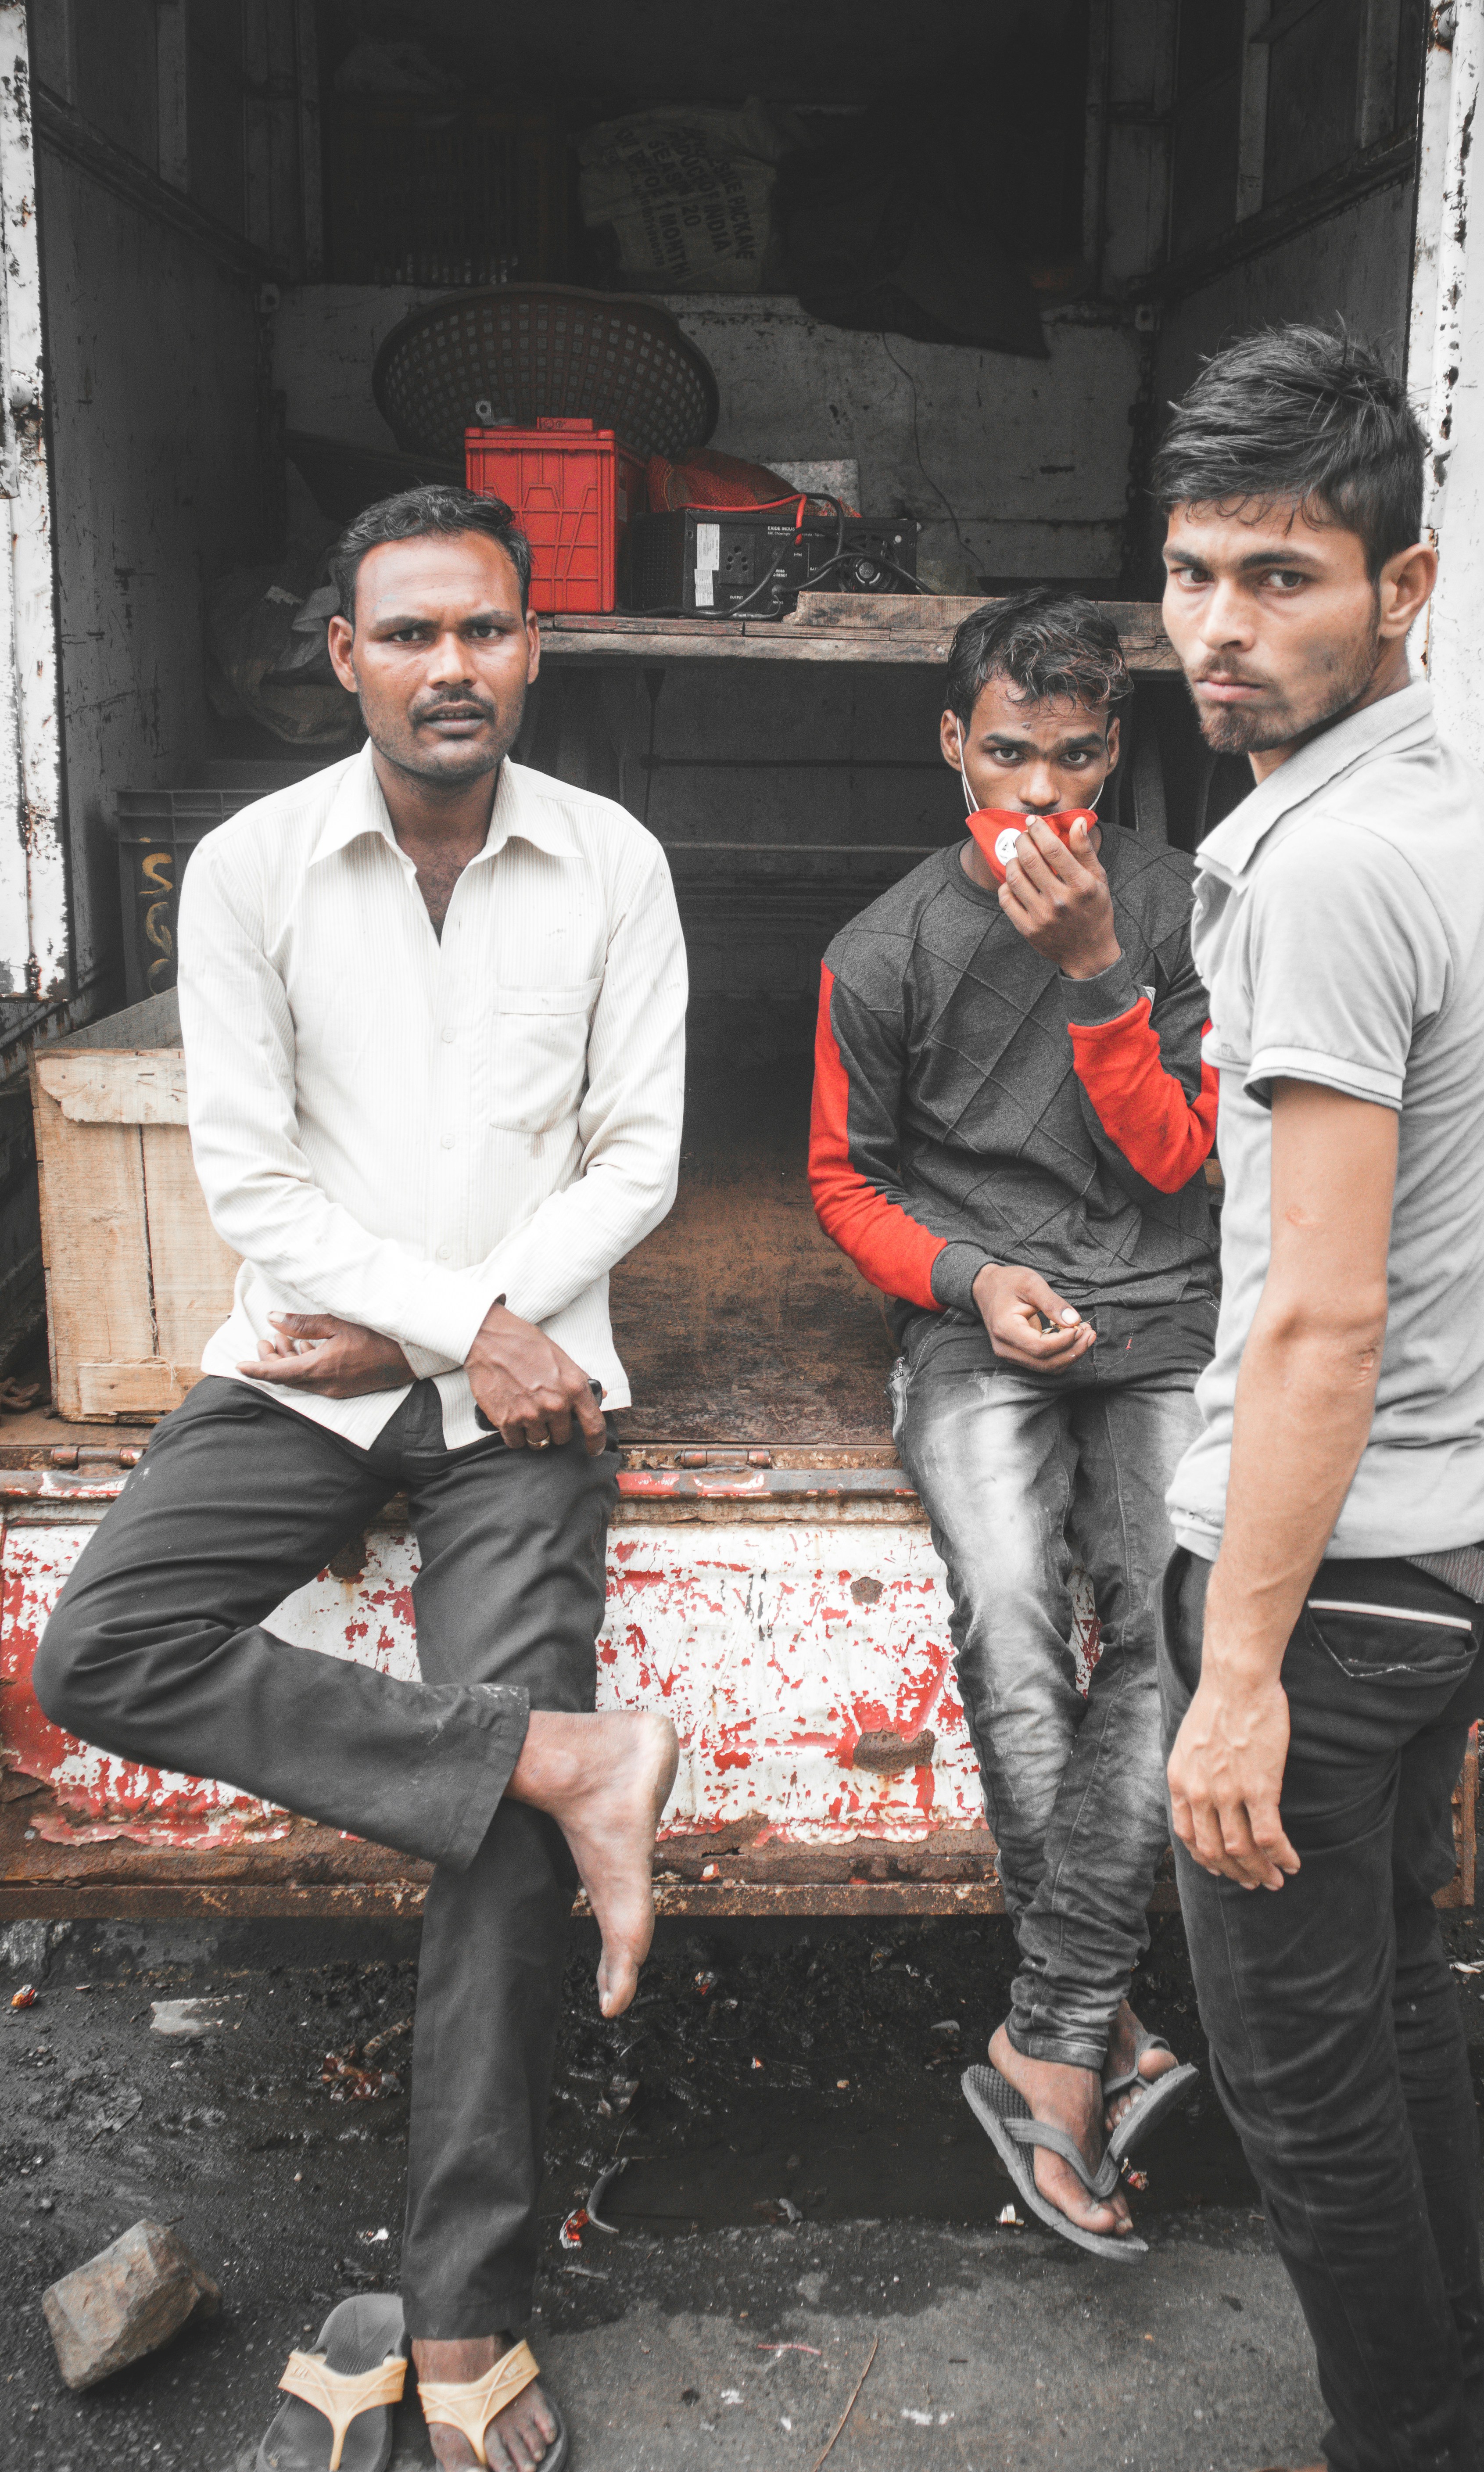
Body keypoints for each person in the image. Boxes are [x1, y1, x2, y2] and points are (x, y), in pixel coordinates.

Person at [33, 485, 689, 2472]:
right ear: (345, 657)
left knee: (478, 1825)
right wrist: (434, 1324)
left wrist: (461, 1334)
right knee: (99, 1648)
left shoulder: (616, 864)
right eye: (407, 635)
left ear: (531, 646)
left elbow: (640, 1158)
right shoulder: (245, 870)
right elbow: (249, 1181)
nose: (449, 668)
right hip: (302, 1367)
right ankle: (575, 1758)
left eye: (483, 631)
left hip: (521, 1383)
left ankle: (471, 2305)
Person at [1154, 326, 1484, 2472]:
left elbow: (1316, 1312)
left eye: (1281, 577)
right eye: (1196, 570)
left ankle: (1409, 2443)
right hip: (1449, 1542)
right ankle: (1452, 2396)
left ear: (1398, 589)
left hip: (1334, 1583)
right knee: (1384, 2012)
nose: (1220, 628)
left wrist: (1235, 1671)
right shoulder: (1437, 800)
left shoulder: (1318, 869)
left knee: (1295, 2084)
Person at [809, 588, 1218, 2254]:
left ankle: (1048, 2031)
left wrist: (1096, 974)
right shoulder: (881, 948)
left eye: (1070, 760)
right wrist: (970, 1278)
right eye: (1004, 758)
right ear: (950, 749)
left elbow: (1186, 1160)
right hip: (981, 1323)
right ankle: (1088, 2024)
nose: (1038, 801)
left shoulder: (1186, 913)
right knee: (1006, 1606)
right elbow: (847, 1179)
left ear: (1113, 752)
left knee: (1172, 1614)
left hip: (1170, 1312)